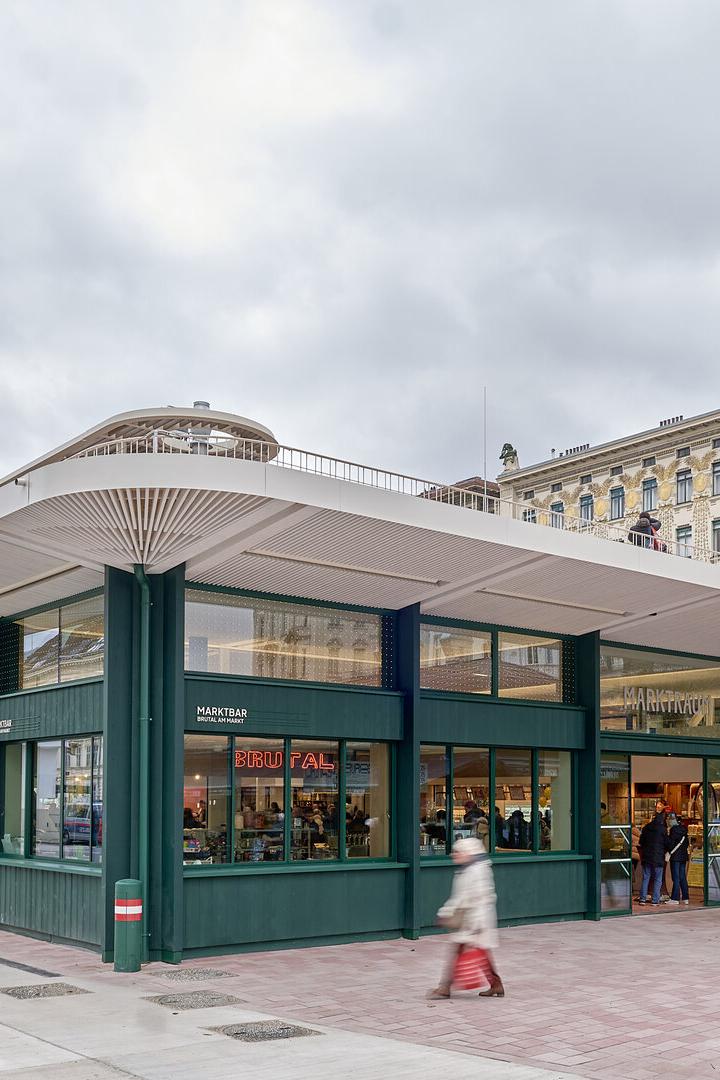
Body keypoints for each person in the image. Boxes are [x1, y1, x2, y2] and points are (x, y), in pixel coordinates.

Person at [429, 836, 504, 999]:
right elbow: (460, 897)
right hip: (470, 920)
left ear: (468, 853)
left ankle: (444, 987)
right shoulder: (467, 869)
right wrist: (446, 912)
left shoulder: (475, 871)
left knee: (457, 951)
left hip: (474, 920)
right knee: (481, 952)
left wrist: (475, 923)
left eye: (457, 852)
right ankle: (496, 984)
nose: (453, 855)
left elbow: (479, 898)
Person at [638, 802, 668, 905]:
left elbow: (641, 842)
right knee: (658, 879)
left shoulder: (646, 828)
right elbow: (667, 843)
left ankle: (642, 899)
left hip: (647, 856)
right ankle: (655, 900)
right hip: (658, 856)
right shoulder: (663, 829)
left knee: (646, 877)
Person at [666, 812, 690, 905]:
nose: (668, 821)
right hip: (683, 856)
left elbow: (671, 844)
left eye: (669, 820)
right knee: (682, 877)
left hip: (675, 857)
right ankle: (685, 898)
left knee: (676, 878)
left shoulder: (673, 830)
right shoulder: (684, 829)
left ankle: (675, 898)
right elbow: (686, 843)